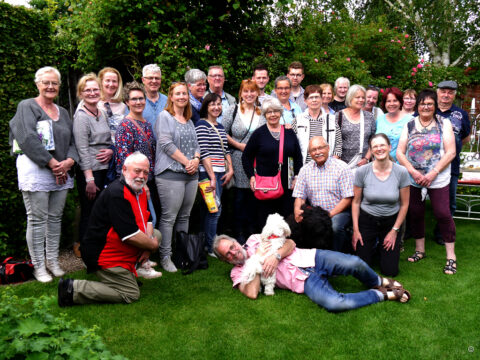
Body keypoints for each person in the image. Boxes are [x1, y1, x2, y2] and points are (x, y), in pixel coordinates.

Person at [57, 152, 160, 307]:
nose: (141, 176)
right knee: (131, 294)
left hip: (120, 247)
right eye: (137, 171)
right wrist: (151, 246)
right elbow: (130, 236)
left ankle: (128, 274)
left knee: (156, 234)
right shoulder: (117, 193)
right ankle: (73, 289)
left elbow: (148, 220)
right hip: (103, 254)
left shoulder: (140, 191)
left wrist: (148, 246)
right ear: (124, 169)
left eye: (145, 172)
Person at [213, 234, 411, 312]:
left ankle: (380, 280)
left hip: (312, 258)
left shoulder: (256, 238)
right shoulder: (237, 273)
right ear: (225, 260)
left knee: (354, 262)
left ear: (235, 241)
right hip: (303, 281)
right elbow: (252, 293)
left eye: (232, 246)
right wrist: (255, 261)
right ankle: (382, 294)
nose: (233, 252)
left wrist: (277, 256)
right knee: (334, 304)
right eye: (228, 254)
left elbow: (290, 242)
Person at [9, 66, 78, 282]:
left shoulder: (64, 112)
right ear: (37, 84)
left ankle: (54, 262)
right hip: (37, 170)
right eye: (45, 82)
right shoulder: (27, 106)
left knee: (55, 218)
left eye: (54, 83)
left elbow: (73, 141)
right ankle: (39, 267)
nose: (50, 86)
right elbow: (27, 137)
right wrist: (53, 164)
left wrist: (68, 162)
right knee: (37, 219)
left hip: (62, 173)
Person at [396, 89, 457, 274]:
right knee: (415, 213)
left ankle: (451, 256)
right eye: (423, 103)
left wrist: (433, 173)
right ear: (418, 105)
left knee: (443, 213)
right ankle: (419, 250)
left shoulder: (444, 123)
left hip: (438, 178)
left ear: (435, 106)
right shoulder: (409, 124)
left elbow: (451, 152)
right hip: (414, 178)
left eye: (430, 103)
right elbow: (400, 151)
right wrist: (413, 172)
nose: (426, 107)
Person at [114, 82, 162, 279]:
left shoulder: (146, 124)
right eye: (134, 99)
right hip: (134, 184)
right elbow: (123, 160)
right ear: (127, 102)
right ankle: (140, 264)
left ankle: (141, 261)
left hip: (146, 181)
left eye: (141, 98)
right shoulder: (125, 126)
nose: (138, 102)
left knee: (148, 221)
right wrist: (138, 187)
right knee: (143, 223)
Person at [155, 82, 200, 272]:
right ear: (171, 97)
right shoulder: (165, 117)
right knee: (169, 217)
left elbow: (197, 145)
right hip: (170, 174)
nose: (182, 96)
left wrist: (196, 160)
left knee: (185, 216)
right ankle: (165, 256)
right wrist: (187, 162)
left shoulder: (189, 120)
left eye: (184, 94)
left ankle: (181, 253)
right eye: (178, 93)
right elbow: (166, 144)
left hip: (191, 175)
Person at [352, 134, 410, 277]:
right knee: (361, 268)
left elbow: (404, 204)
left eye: (382, 145)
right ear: (371, 150)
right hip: (367, 220)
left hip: (390, 222)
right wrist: (356, 230)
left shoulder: (401, 172)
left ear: (389, 147)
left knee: (390, 271)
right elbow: (356, 202)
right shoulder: (362, 171)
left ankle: (381, 250)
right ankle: (372, 248)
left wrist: (395, 230)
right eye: (375, 146)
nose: (379, 149)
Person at [242, 98, 303, 230]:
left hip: (287, 184)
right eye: (269, 112)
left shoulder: (289, 132)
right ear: (264, 114)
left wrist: (296, 176)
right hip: (266, 186)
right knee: (265, 221)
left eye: (276, 111)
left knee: (286, 221)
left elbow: (297, 156)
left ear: (281, 113)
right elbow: (246, 156)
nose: (273, 115)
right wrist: (251, 176)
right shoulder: (259, 134)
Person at [73, 73, 113, 254]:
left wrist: (111, 151)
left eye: (95, 89)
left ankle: (102, 248)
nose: (92, 93)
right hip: (91, 172)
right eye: (87, 90)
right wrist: (89, 179)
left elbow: (110, 138)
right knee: (89, 212)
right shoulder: (81, 117)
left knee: (104, 211)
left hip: (106, 169)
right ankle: (87, 250)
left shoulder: (102, 112)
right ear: (81, 93)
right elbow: (81, 149)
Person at [293, 136, 354, 253]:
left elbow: (347, 198)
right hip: (316, 212)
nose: (317, 152)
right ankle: (312, 257)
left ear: (328, 148)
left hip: (339, 211)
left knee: (335, 226)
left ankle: (336, 256)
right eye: (313, 150)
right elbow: (300, 196)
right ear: (309, 153)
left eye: (320, 148)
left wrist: (328, 215)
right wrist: (297, 210)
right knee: (298, 223)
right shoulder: (305, 170)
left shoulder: (342, 167)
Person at [222, 79, 265, 243]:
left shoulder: (262, 112)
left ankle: (253, 232)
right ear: (240, 93)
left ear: (257, 93)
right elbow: (222, 132)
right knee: (239, 198)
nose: (249, 94)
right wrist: (239, 145)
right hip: (238, 159)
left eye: (252, 91)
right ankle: (238, 232)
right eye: (246, 91)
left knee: (255, 197)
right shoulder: (231, 111)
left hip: (258, 161)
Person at [195, 93, 234, 255]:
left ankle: (207, 242)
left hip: (220, 173)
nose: (216, 107)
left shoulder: (220, 126)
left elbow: (226, 150)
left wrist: (230, 169)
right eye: (212, 104)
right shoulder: (201, 125)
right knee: (214, 209)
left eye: (219, 104)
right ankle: (211, 246)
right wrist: (211, 177)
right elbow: (203, 152)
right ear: (206, 106)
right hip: (207, 175)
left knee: (212, 209)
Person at [433, 80, 471, 245]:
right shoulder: (428, 108)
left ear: (454, 95)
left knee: (449, 201)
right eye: (443, 91)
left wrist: (450, 150)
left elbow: (466, 138)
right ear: (437, 93)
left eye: (450, 92)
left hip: (450, 165)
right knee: (417, 199)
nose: (446, 95)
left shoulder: (461, 114)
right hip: (425, 165)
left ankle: (441, 233)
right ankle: (414, 230)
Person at [292, 84, 342, 164]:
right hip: (304, 165)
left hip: (327, 166)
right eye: (311, 97)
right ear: (305, 101)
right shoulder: (298, 120)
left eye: (317, 97)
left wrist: (333, 160)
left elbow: (338, 143)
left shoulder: (331, 119)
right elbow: (292, 144)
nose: (314, 100)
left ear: (321, 99)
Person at [338, 84, 376, 169]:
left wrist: (366, 158)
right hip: (342, 165)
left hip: (363, 164)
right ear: (350, 98)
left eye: (363, 97)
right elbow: (335, 141)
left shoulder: (369, 117)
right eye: (357, 97)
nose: (361, 100)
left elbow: (373, 140)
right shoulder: (339, 116)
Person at [376, 87, 412, 162]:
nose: (391, 104)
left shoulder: (410, 120)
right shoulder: (379, 119)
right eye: (388, 101)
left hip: (402, 167)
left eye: (395, 101)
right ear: (384, 103)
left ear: (400, 102)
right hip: (381, 165)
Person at [98, 67, 127, 144]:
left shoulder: (123, 107)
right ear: (101, 82)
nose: (111, 84)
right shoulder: (93, 104)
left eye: (114, 81)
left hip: (119, 150)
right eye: (107, 80)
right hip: (99, 151)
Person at [141, 64, 168, 129]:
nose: (154, 81)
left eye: (157, 78)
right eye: (150, 78)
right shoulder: (136, 101)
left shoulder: (167, 101)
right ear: (143, 80)